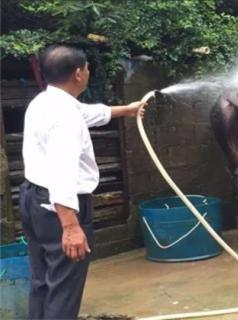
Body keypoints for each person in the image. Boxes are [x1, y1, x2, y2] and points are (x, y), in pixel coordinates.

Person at [19, 44, 147, 319]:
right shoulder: (65, 117)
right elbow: (62, 171)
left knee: (43, 283)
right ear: (78, 73)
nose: (88, 72)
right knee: (64, 289)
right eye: (87, 67)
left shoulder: (46, 101)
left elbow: (87, 114)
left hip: (33, 199)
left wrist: (128, 110)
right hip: (59, 208)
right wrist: (71, 226)